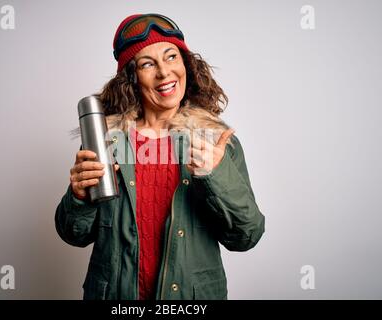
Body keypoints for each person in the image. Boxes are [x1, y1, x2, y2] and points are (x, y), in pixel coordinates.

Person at [55, 13, 265, 300]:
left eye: (171, 57)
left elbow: (246, 237)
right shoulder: (106, 144)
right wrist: (78, 197)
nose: (164, 73)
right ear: (131, 77)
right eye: (147, 64)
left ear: (186, 65)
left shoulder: (216, 143)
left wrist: (217, 176)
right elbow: (74, 235)